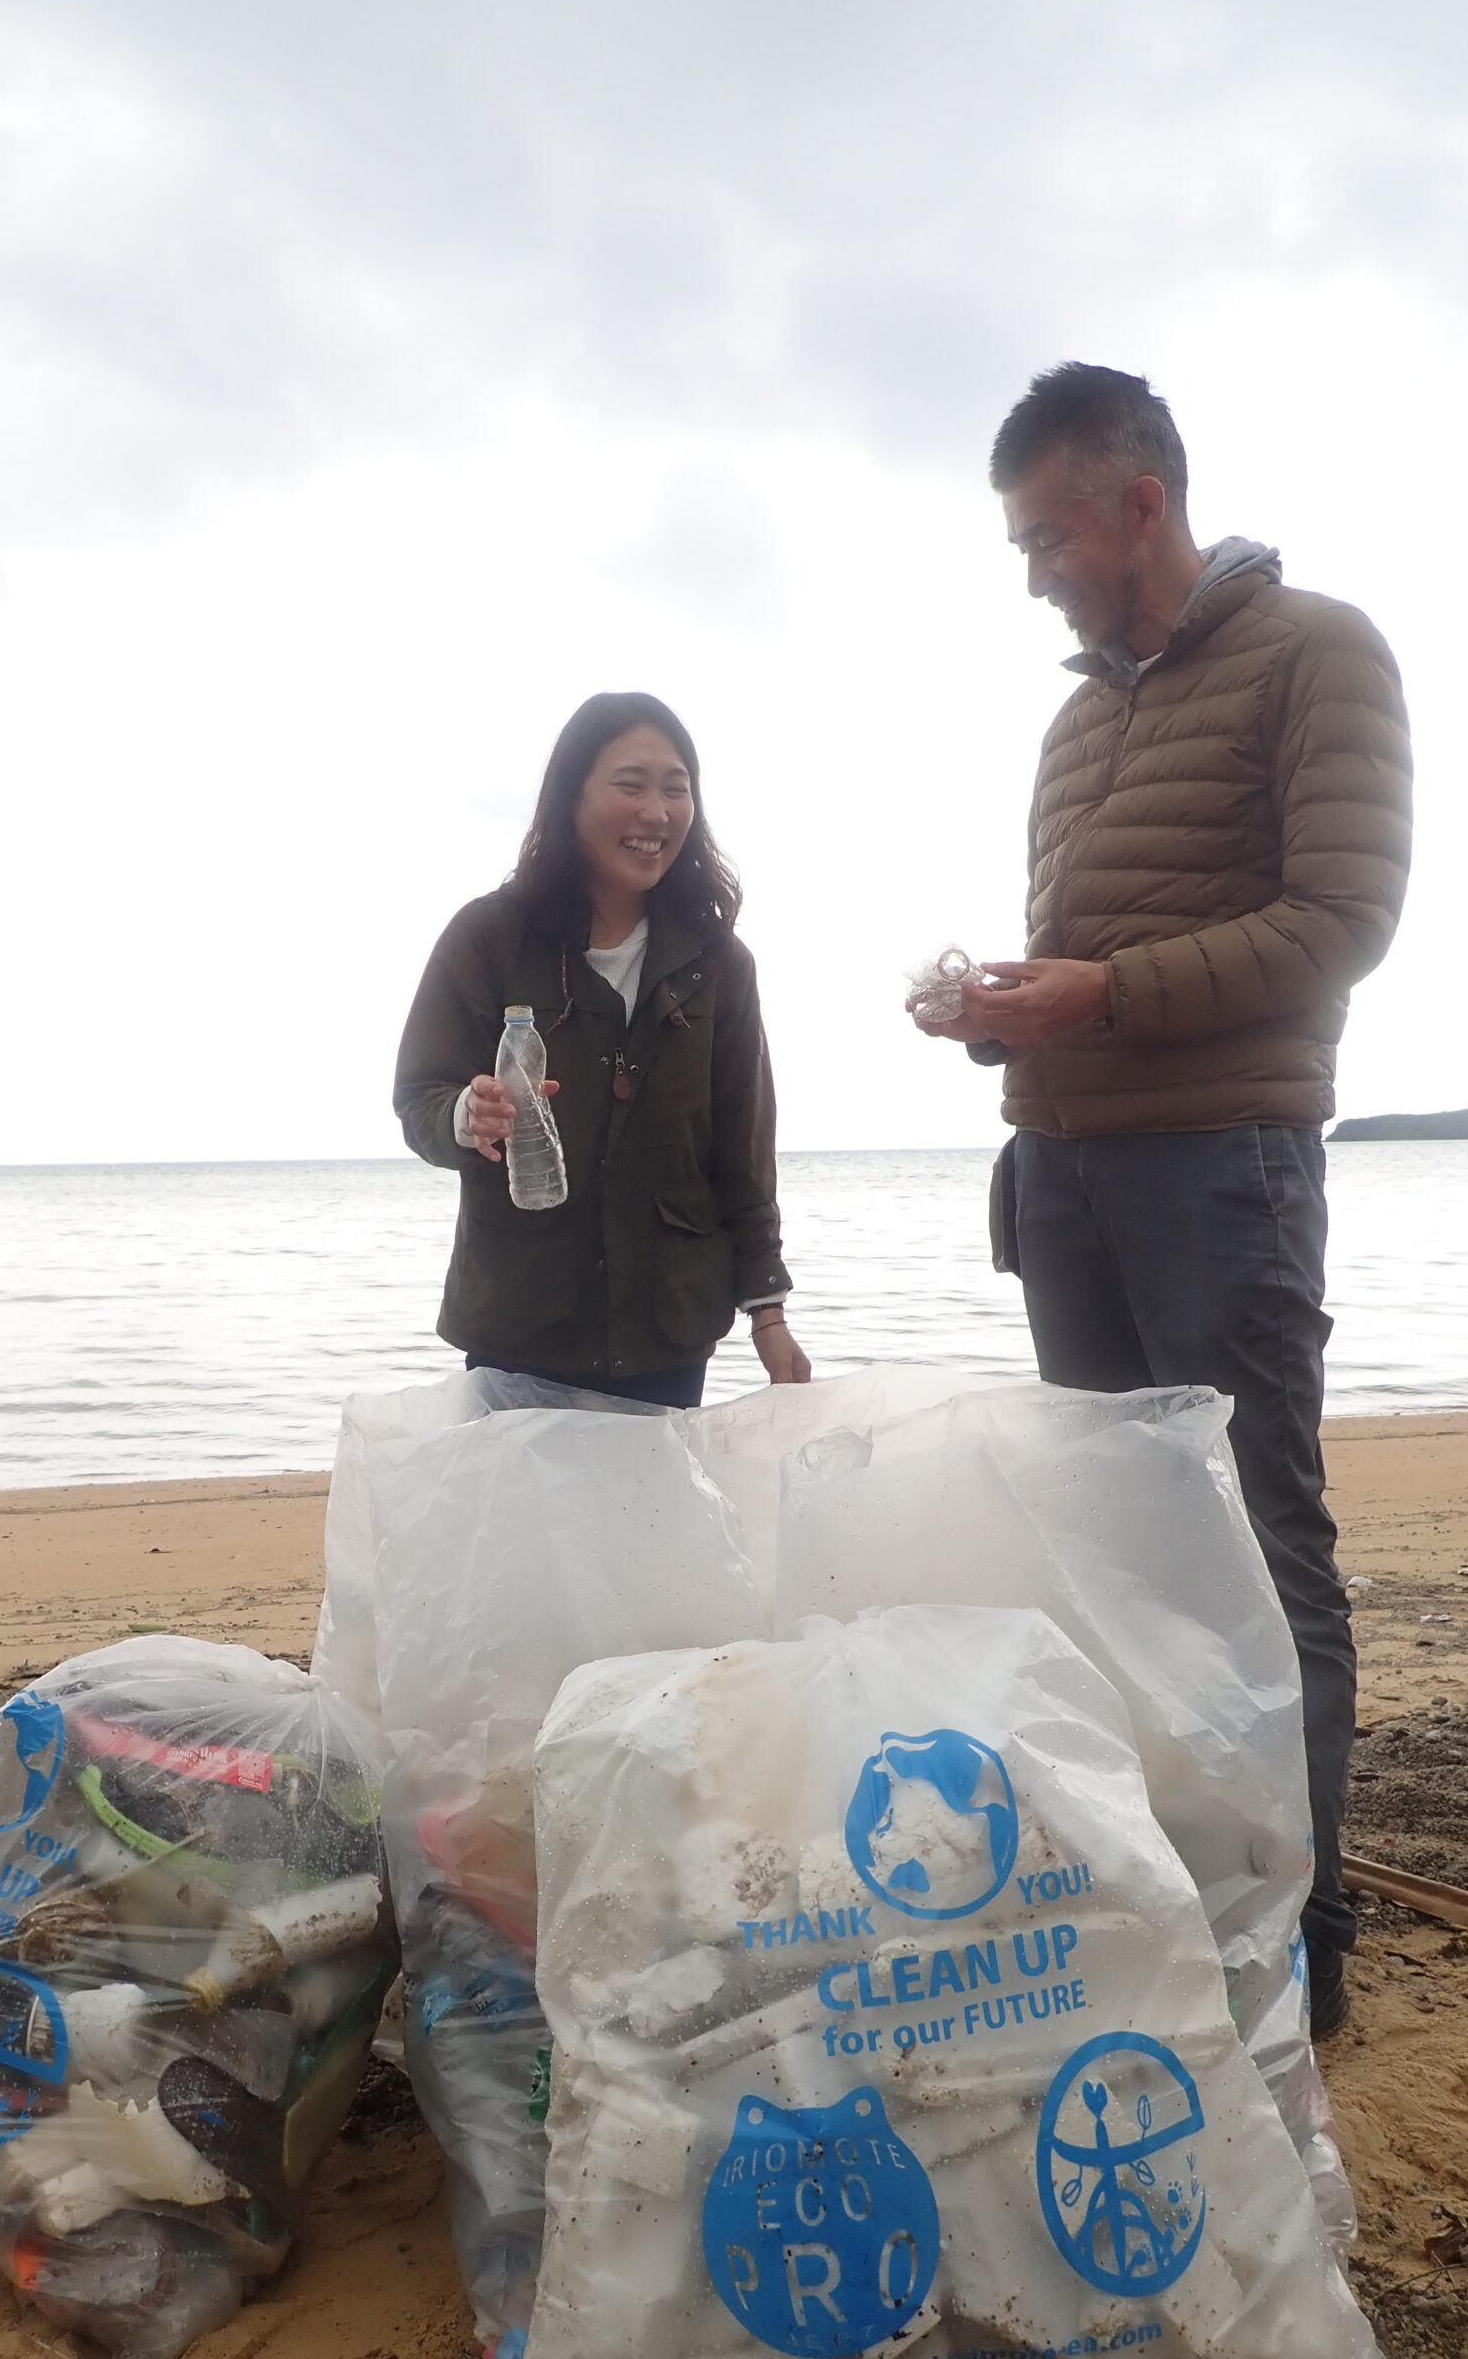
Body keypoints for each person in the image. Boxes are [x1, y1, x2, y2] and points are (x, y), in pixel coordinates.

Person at [912, 364, 1411, 2038]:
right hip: (1065, 1176)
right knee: (1116, 1561)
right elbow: (1087, 956)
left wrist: (1100, 998)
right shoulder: (1074, 722)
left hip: (1220, 1169)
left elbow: (1339, 921)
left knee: (1260, 1551)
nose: (1033, 567)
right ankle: (1174, 1890)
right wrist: (1003, 1011)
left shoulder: (1317, 652)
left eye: (1048, 529)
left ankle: (1304, 1937)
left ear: (1140, 501)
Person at [395, 691, 809, 1408]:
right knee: (522, 1523)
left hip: (666, 1330)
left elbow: (742, 1155)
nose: (656, 813)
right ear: (570, 797)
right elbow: (419, 1098)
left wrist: (767, 1311)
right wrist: (469, 1116)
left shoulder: (718, 963)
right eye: (630, 785)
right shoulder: (491, 938)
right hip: (520, 1319)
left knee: (643, 1521)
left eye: (676, 789)